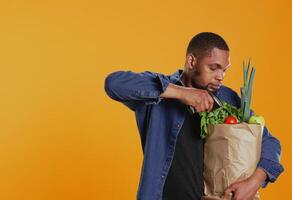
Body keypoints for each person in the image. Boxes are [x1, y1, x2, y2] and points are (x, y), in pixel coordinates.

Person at [104, 32, 284, 200]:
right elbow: (114, 84)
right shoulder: (159, 93)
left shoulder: (227, 99)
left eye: (224, 70)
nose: (220, 76)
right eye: (214, 68)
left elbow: (270, 142)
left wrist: (254, 182)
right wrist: (182, 93)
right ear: (191, 61)